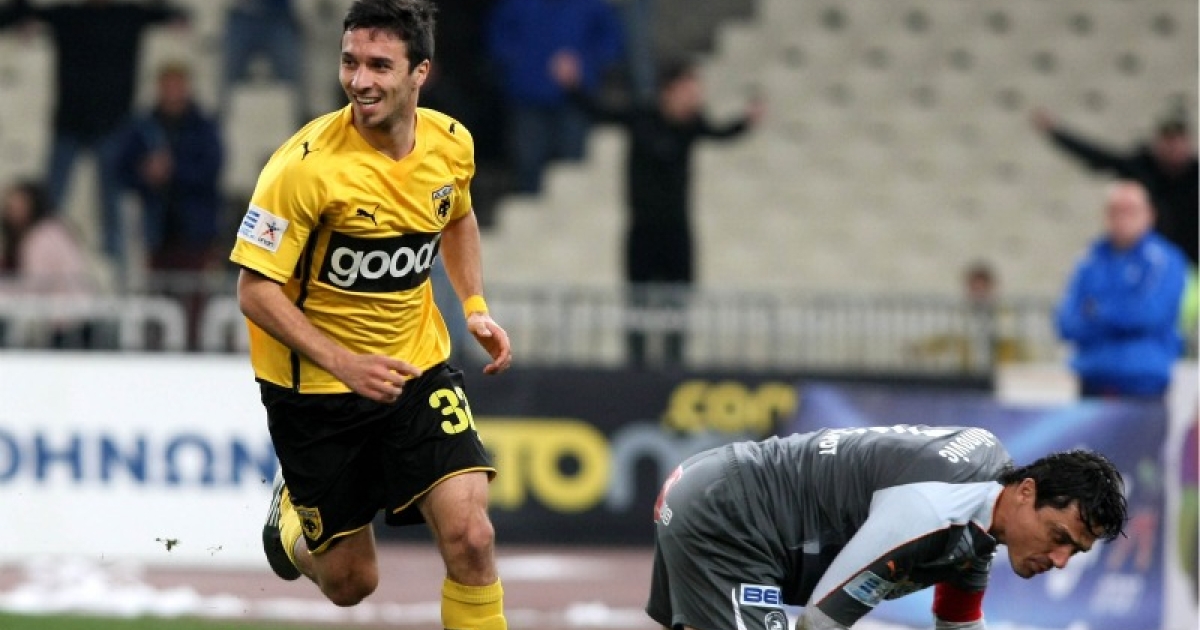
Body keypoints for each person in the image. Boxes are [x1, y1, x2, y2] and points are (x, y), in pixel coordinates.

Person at [228, 2, 511, 628]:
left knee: (472, 537)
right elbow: (254, 290)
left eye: (380, 65)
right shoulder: (302, 168)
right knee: (351, 583)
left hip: (416, 371)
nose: (360, 81)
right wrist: (345, 363)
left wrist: (474, 306)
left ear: (420, 72)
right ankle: (290, 522)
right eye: (350, 62)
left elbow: (457, 216)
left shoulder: (451, 143)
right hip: (316, 392)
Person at [647, 424, 1128, 630]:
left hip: (718, 489)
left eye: (1075, 551)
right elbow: (819, 622)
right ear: (1026, 492)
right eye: (1059, 536)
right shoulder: (931, 511)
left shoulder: (985, 502)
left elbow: (958, 621)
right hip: (730, 514)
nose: (1060, 560)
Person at [560, 59, 762, 368]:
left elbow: (721, 133)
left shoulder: (692, 126)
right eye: (689, 92)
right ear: (669, 91)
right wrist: (572, 87)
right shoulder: (642, 118)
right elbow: (598, 112)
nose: (695, 99)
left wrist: (747, 121)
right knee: (637, 304)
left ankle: (674, 365)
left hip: (676, 228)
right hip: (642, 228)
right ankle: (635, 366)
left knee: (678, 304)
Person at [0, 0, 188, 279]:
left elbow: (171, 14)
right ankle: (35, 270)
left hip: (110, 129)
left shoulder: (126, 16)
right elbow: (20, 14)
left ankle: (119, 278)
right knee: (47, 207)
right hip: (70, 126)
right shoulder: (71, 17)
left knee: (112, 212)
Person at [119, 60, 224, 349]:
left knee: (194, 295)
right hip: (157, 226)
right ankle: (157, 349)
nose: (172, 92)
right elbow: (123, 170)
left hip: (195, 228)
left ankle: (195, 348)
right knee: (158, 294)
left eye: (177, 86)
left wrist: (172, 170)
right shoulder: (144, 126)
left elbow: (211, 169)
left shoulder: (203, 126)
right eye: (167, 86)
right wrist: (145, 173)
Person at [1055, 181, 1187, 399]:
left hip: (1143, 382)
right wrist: (1121, 315)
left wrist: (1097, 311)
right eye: (1115, 211)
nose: (1122, 218)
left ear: (1150, 215)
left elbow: (1149, 314)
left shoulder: (1165, 260)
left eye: (1131, 211)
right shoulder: (1088, 259)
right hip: (1092, 379)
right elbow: (1066, 322)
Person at [486, 0, 624, 194]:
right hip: (528, 99)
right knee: (528, 164)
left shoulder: (591, 5)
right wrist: (523, 65)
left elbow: (610, 41)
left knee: (571, 168)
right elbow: (499, 39)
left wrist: (584, 66)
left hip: (575, 101)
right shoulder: (516, 5)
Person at [1032, 107, 1198, 266]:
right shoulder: (1141, 167)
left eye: (1178, 142)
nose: (1173, 149)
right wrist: (1057, 133)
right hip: (1149, 261)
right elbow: (1098, 157)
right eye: (1168, 142)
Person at [0, 179, 97, 348]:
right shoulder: (46, 231)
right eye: (10, 206)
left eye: (18, 205)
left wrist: (5, 290)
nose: (12, 211)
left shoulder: (43, 236)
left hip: (66, 319)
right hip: (64, 314)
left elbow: (36, 284)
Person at [220, 0, 310, 126]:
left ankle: (302, 124)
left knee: (291, 74)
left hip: (279, 15)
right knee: (229, 73)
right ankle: (219, 123)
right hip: (242, 14)